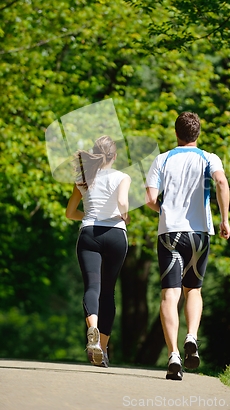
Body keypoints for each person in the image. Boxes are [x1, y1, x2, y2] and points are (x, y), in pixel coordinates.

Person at [145, 112, 230, 380]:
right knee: (193, 290)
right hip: (199, 233)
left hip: (170, 233)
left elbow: (148, 197)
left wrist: (164, 210)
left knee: (169, 295)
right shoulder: (209, 158)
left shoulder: (162, 159)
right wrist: (224, 219)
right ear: (198, 133)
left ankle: (173, 355)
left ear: (176, 133)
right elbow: (221, 182)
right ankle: (191, 337)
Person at [66, 135, 131, 368]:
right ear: (114, 156)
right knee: (108, 292)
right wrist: (125, 214)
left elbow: (70, 213)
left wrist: (89, 215)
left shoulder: (83, 178)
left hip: (89, 233)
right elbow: (123, 202)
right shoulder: (123, 176)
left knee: (92, 287)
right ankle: (102, 349)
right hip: (115, 234)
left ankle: (91, 328)